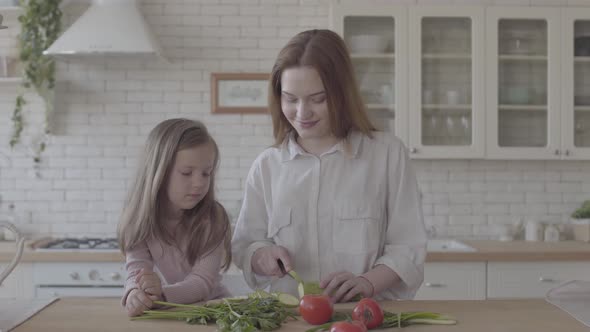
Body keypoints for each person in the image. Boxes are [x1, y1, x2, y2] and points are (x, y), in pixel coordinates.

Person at [231, 29, 427, 303]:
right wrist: (261, 255)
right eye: (290, 98)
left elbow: (408, 245)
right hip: (290, 318)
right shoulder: (267, 166)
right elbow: (245, 246)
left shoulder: (387, 154)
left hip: (365, 316)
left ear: (342, 94)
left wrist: (366, 283)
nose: (302, 113)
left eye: (318, 99)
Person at [117, 118, 232, 317]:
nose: (199, 183)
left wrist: (160, 295)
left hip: (216, 312)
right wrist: (135, 293)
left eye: (206, 173)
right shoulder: (138, 220)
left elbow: (202, 282)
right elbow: (136, 271)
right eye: (187, 173)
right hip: (175, 312)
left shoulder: (213, 218)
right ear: (158, 173)